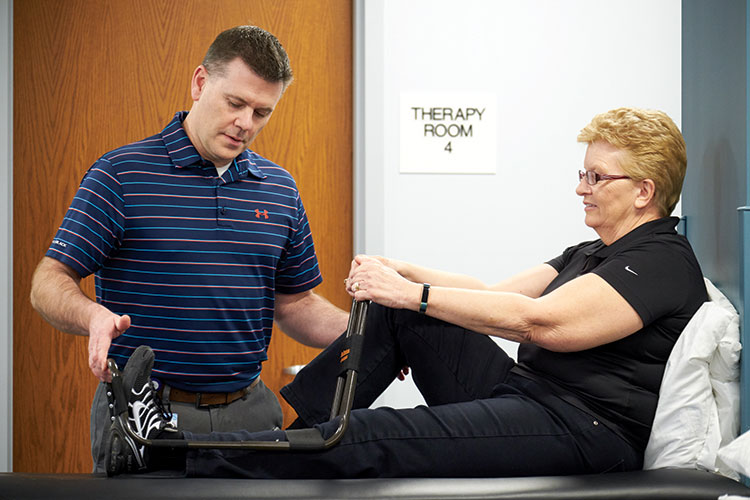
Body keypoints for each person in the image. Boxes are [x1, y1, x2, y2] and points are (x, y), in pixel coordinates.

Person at [104, 107, 708, 478]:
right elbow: (490, 293)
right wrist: (404, 274)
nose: (581, 187)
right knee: (395, 320)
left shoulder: (660, 260)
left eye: (596, 176)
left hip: (584, 431)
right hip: (533, 395)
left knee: (369, 432)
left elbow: (539, 323)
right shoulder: (592, 253)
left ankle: (160, 448)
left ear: (644, 191)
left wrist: (410, 293)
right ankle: (292, 439)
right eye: (582, 172)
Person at [29, 25, 349, 473]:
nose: (245, 124)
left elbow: (295, 304)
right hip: (145, 416)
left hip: (251, 417)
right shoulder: (121, 174)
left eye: (262, 112)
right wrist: (93, 316)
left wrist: (366, 333)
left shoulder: (279, 189)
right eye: (235, 103)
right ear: (200, 83)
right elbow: (48, 281)